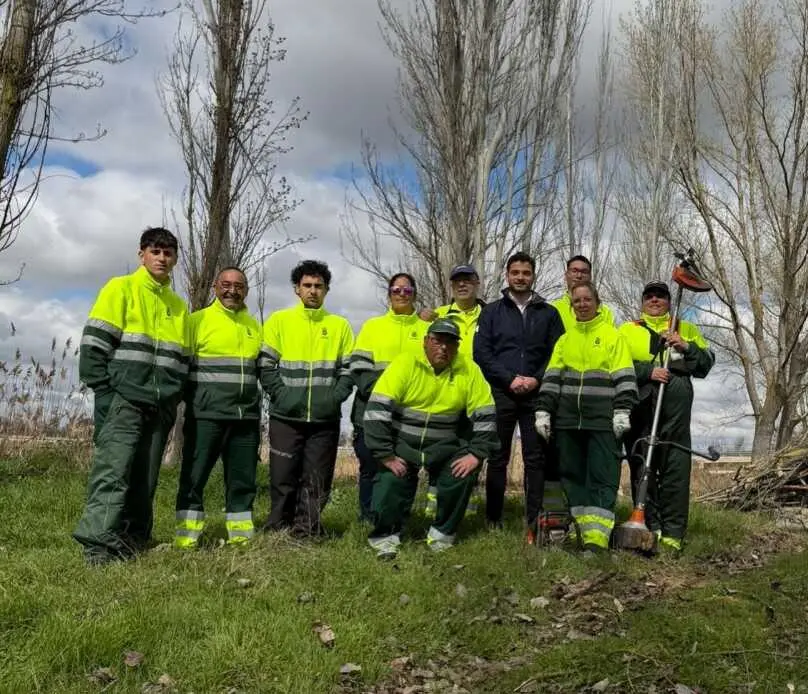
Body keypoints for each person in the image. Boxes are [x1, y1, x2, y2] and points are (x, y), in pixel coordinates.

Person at [74, 227, 190, 565]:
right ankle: (98, 545)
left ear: (175, 259)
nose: (162, 258)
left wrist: (172, 398)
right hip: (122, 400)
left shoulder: (178, 306)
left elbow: (182, 361)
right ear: (142, 255)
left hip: (160, 405)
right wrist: (106, 393)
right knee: (113, 472)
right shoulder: (120, 288)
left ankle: (134, 538)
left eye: (168, 253)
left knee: (145, 477)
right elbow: (94, 345)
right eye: (155, 251)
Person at [363, 318, 498, 559]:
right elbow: (377, 410)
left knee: (462, 473)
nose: (443, 347)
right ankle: (385, 538)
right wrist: (386, 454)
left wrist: (476, 454)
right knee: (390, 481)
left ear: (457, 347)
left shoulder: (469, 369)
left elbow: (486, 414)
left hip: (445, 446)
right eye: (437, 341)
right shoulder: (405, 363)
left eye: (450, 343)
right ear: (425, 341)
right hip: (403, 444)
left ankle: (441, 536)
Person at [535, 281, 638, 552]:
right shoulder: (565, 340)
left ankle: (597, 539)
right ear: (572, 306)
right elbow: (552, 378)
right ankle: (580, 532)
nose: (582, 304)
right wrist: (543, 410)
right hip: (568, 421)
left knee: (602, 477)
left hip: (602, 421)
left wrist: (622, 410)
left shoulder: (612, 336)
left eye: (587, 299)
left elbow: (625, 377)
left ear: (597, 303)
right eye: (577, 301)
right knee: (573, 477)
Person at [473, 252, 564, 542]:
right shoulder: (491, 312)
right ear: (507, 275)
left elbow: (558, 353)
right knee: (497, 457)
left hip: (536, 395)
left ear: (533, 276)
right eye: (515, 272)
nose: (521, 277)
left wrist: (536, 378)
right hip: (502, 393)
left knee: (535, 459)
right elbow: (481, 353)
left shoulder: (549, 314)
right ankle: (493, 519)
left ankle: (534, 522)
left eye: (526, 273)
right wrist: (509, 379)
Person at [618, 280, 714, 552]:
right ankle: (650, 525)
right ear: (642, 301)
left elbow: (705, 364)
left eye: (660, 296)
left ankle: (673, 533)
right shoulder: (627, 330)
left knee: (675, 468)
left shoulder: (686, 328)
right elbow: (615, 365)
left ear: (669, 301)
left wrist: (686, 346)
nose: (655, 300)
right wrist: (647, 371)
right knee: (642, 464)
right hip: (641, 405)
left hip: (675, 409)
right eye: (649, 295)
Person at [261, 260, 354, 537]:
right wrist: (283, 396)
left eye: (319, 286)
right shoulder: (279, 321)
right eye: (307, 285)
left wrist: (334, 398)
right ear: (297, 289)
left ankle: (307, 529)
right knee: (282, 477)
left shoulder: (339, 326)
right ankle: (278, 528)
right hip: (285, 416)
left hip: (324, 419)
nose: (313, 291)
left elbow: (349, 370)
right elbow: (265, 365)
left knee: (317, 479)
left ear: (326, 290)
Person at [174, 267, 263, 549]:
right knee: (194, 477)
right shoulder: (196, 321)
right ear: (215, 287)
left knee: (242, 481)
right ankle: (187, 538)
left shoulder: (254, 327)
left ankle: (241, 538)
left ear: (246, 290)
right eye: (226, 284)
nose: (232, 290)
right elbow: (181, 368)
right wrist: (193, 402)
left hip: (245, 418)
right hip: (206, 416)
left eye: (238, 286)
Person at [350, 273, 429, 521]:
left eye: (407, 290)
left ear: (414, 294)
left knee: (406, 470)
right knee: (371, 468)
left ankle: (398, 520)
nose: (402, 294)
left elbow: (431, 374)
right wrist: (385, 396)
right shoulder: (373, 327)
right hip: (370, 414)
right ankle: (368, 520)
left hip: (410, 416)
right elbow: (359, 369)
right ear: (389, 294)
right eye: (396, 290)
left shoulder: (426, 330)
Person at [419, 264, 487, 514]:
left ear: (477, 283)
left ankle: (467, 505)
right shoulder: (437, 315)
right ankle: (434, 505)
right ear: (451, 285)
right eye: (457, 280)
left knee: (474, 449)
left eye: (467, 279)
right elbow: (422, 347)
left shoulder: (490, 315)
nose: (462, 284)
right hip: (445, 393)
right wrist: (419, 316)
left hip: (479, 393)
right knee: (441, 449)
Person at [551, 255, 616, 332]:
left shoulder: (604, 312)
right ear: (566, 275)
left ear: (590, 276)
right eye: (574, 271)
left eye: (584, 272)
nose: (579, 276)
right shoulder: (553, 309)